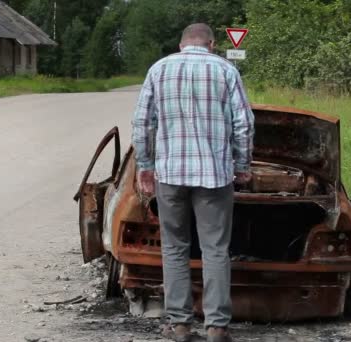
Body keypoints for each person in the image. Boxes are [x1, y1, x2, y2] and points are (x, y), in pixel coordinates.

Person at [132, 23, 255, 342]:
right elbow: (243, 124)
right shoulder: (226, 70)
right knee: (215, 249)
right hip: (214, 176)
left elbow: (143, 122)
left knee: (174, 248)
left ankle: (180, 324)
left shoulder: (158, 70)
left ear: (182, 44)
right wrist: (241, 166)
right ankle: (216, 327)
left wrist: (145, 165)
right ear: (211, 44)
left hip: (170, 174)